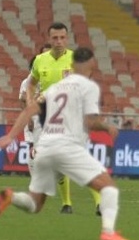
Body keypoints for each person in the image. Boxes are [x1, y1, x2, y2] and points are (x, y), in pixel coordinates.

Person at [0, 47, 130, 240]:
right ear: (91, 66)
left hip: (44, 148)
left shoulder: (54, 89)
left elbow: (30, 109)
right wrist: (107, 127)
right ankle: (108, 231)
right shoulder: (88, 88)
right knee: (109, 189)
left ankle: (11, 197)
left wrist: (11, 136)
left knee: (34, 203)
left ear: (71, 66)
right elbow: (90, 123)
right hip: (67, 147)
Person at [22, 23, 100, 215]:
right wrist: (31, 101)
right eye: (55, 38)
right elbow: (30, 84)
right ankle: (66, 203)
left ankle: (99, 203)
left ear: (67, 38)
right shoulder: (40, 61)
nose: (58, 41)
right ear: (49, 39)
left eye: (62, 37)